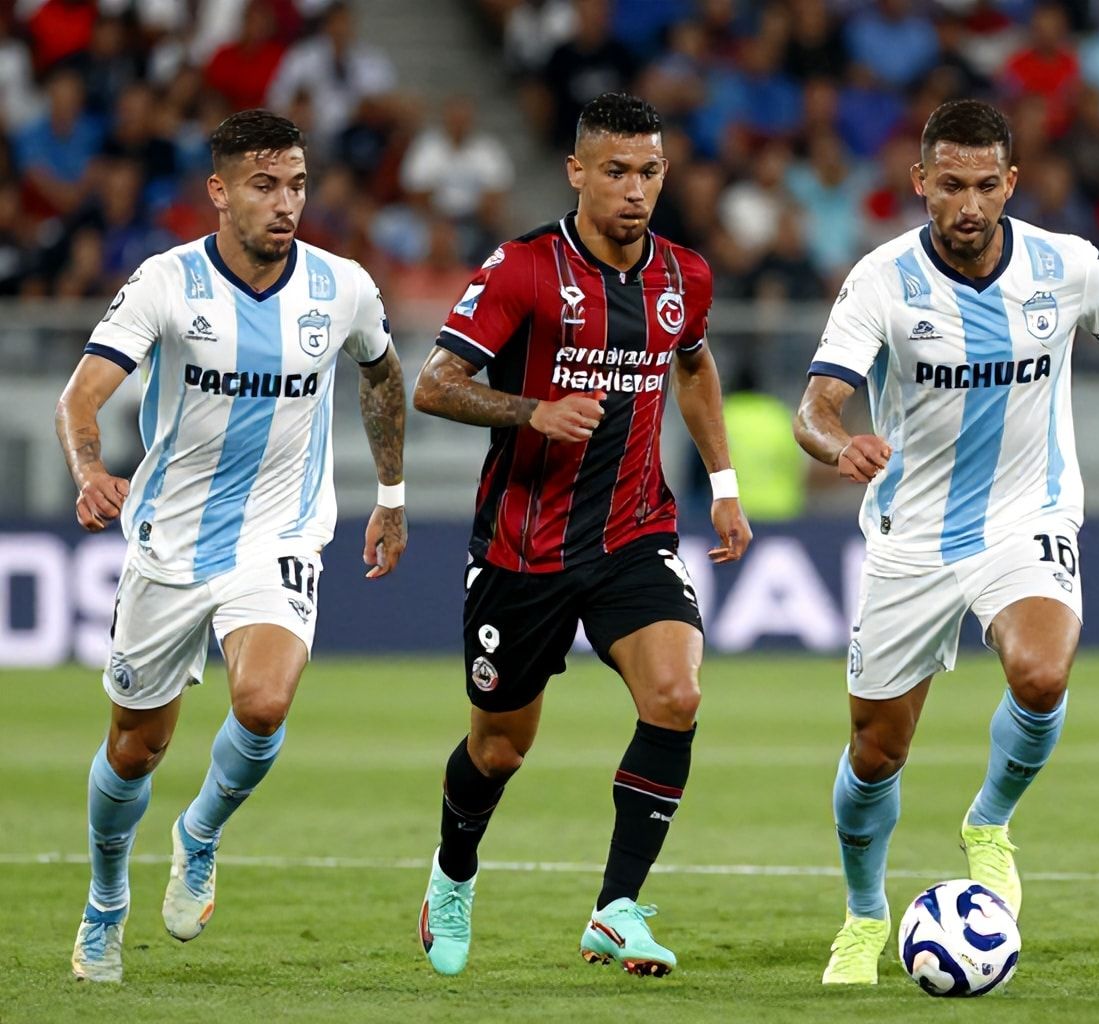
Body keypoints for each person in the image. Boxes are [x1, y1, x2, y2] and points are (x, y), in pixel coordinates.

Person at [793, 98, 1099, 985]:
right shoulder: (882, 280)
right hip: (912, 535)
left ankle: (987, 821)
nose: (968, 205)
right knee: (876, 751)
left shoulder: (1069, 266)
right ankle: (864, 917)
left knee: (1042, 672)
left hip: (1029, 514)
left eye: (985, 186)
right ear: (920, 184)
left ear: (1012, 183)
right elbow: (815, 408)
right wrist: (840, 442)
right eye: (949, 186)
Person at [55, 109, 408, 983]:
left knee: (263, 702)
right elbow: (80, 398)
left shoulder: (343, 288)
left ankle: (200, 834)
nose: (286, 202)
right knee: (135, 749)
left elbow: (382, 374)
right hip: (169, 543)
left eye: (295, 183)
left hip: (279, 532)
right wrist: (92, 470)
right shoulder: (164, 283)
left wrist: (391, 495)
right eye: (263, 185)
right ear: (219, 191)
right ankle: (105, 900)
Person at [409, 93, 750, 979]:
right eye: (615, 172)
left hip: (635, 532)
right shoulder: (522, 269)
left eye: (649, 172)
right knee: (499, 748)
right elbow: (436, 385)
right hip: (523, 549)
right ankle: (453, 872)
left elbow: (696, 363)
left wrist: (724, 484)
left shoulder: (685, 276)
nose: (635, 190)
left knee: (675, 696)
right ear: (576, 172)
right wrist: (533, 410)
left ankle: (616, 909)